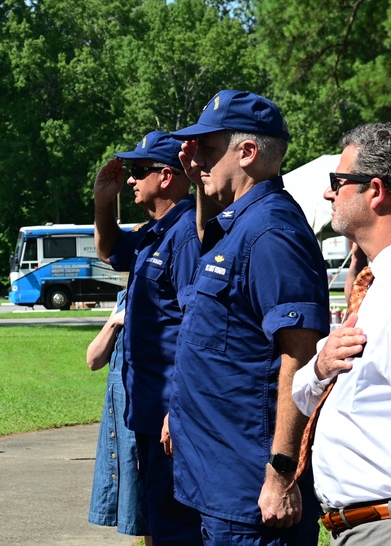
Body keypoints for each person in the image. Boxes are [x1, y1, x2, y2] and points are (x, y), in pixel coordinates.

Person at [166, 90, 329, 545]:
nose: (196, 161)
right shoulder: (239, 223)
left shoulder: (271, 232)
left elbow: (300, 357)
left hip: (251, 493)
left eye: (208, 151)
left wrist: (280, 474)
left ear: (248, 152)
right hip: (221, 483)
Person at [93, 130, 203, 544]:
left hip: (169, 414)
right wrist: (105, 202)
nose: (132, 180)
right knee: (156, 516)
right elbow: (110, 251)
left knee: (176, 523)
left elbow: (195, 326)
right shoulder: (154, 232)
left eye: (140, 171)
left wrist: (179, 410)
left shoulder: (188, 235)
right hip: (146, 410)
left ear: (168, 176)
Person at [292, 123, 391, 542]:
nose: (329, 193)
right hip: (353, 527)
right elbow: (303, 388)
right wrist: (320, 366)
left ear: (375, 190)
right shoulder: (371, 287)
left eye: (338, 181)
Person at [86, 290, 151, 543]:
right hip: (123, 419)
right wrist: (114, 321)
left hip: (144, 418)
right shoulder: (124, 298)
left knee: (152, 506)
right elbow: (93, 360)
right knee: (140, 508)